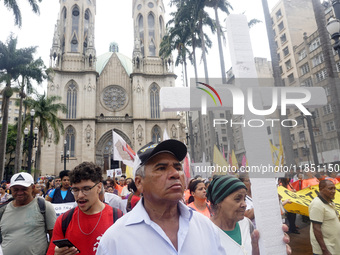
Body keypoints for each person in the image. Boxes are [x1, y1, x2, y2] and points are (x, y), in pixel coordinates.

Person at [97, 139, 227, 254]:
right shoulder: (114, 240)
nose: (175, 174)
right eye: (161, 168)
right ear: (139, 183)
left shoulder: (206, 227)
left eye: (177, 167)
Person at [47, 162, 123, 255]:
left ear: (99, 187)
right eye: (75, 190)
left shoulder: (119, 218)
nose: (80, 195)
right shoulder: (63, 221)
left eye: (86, 189)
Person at [207, 175, 291, 255]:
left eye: (244, 199)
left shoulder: (246, 223)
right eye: (237, 199)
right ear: (218, 201)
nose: (244, 204)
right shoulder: (206, 233)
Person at [0, 172, 57, 255]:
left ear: (32, 188)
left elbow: (54, 237)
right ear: (10, 189)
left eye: (24, 189)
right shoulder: (3, 210)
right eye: (15, 189)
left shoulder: (44, 206)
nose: (19, 192)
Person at [309, 179, 340, 255]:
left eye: (334, 188)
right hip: (326, 249)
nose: (334, 191)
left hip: (334, 246)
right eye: (330, 189)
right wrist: (324, 250)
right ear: (321, 189)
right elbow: (316, 229)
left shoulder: (330, 202)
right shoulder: (317, 205)